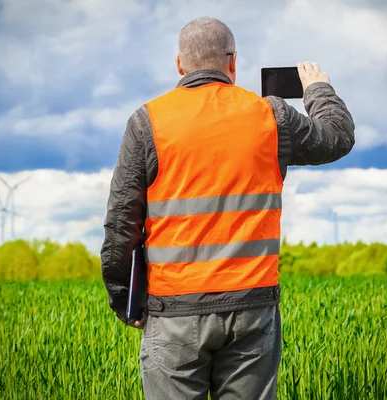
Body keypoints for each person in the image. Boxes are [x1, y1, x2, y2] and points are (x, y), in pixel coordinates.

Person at [101, 16, 355, 400]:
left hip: (173, 312)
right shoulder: (272, 115)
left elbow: (121, 223)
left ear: (179, 65)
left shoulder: (147, 122)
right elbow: (337, 137)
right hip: (252, 309)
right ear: (233, 62)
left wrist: (126, 301)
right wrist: (318, 89)